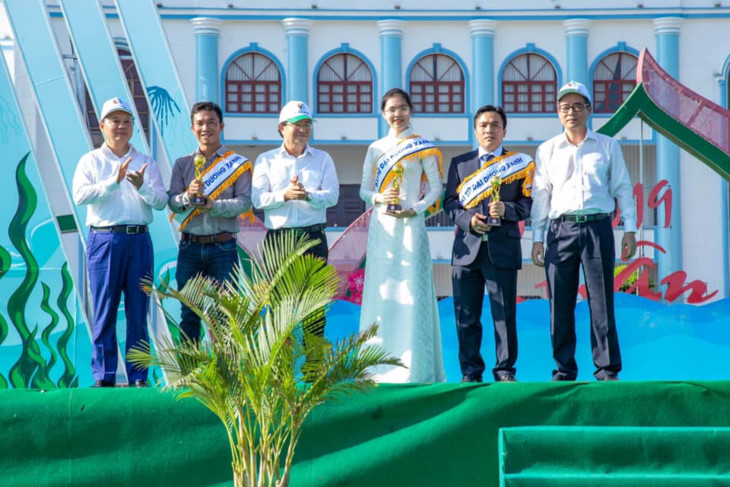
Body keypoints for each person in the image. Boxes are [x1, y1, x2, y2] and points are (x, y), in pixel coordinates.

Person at [530, 81, 638, 381]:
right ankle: (564, 368)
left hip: (597, 228)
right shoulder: (547, 150)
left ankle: (607, 368)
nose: (571, 112)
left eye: (578, 106)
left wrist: (630, 229)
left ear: (589, 110)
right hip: (559, 230)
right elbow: (541, 195)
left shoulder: (608, 145)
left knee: (601, 301)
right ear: (558, 112)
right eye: (565, 107)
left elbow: (623, 188)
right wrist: (537, 238)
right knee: (560, 303)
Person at [72, 97, 167, 387]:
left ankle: (139, 376)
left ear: (133, 127)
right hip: (105, 240)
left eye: (127, 121)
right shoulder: (91, 161)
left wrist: (141, 186)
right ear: (102, 125)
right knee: (104, 310)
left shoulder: (146, 161)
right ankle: (104, 376)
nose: (121, 126)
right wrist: (112, 182)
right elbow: (80, 195)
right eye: (115, 121)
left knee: (138, 312)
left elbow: (161, 202)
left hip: (139, 240)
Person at [358, 88, 445, 383]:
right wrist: (380, 198)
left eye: (403, 108)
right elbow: (364, 190)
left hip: (411, 226)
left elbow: (436, 188)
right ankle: (375, 368)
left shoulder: (422, 147)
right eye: (392, 109)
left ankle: (415, 368)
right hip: (383, 227)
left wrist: (416, 208)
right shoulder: (375, 148)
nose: (398, 114)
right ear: (383, 114)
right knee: (382, 291)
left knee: (413, 291)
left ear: (411, 111)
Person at [444, 105, 534, 383]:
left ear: (504, 130)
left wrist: (506, 210)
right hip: (466, 250)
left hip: (502, 249)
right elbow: (450, 204)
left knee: (504, 315)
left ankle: (505, 370)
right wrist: (468, 220)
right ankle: (471, 372)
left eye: (495, 125)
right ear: (475, 130)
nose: (489, 130)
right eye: (483, 125)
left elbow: (528, 203)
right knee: (466, 316)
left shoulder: (519, 165)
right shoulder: (460, 164)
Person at [252, 100, 339, 345]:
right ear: (282, 128)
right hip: (279, 241)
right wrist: (285, 195)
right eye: (297, 124)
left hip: (313, 239)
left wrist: (308, 195)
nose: (303, 129)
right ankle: (283, 366)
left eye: (307, 124)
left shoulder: (323, 158)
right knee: (280, 307)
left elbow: (333, 196)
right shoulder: (266, 160)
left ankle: (313, 364)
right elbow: (257, 199)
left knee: (314, 307)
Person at [168, 101, 252, 343]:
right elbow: (173, 203)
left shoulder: (237, 164)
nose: (206, 128)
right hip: (190, 247)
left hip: (223, 247)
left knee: (226, 313)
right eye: (200, 123)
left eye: (211, 122)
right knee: (189, 313)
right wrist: (188, 195)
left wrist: (214, 206)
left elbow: (245, 202)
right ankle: (190, 365)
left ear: (221, 126)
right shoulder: (182, 164)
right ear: (192, 129)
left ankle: (226, 366)